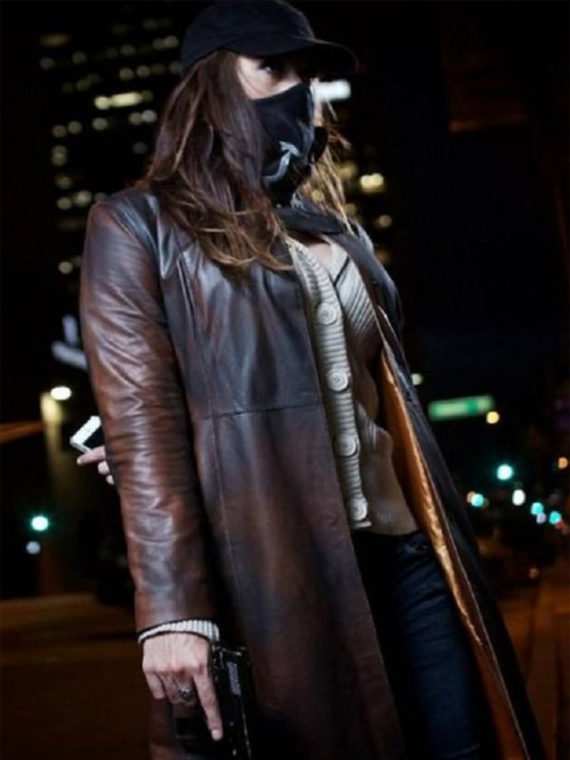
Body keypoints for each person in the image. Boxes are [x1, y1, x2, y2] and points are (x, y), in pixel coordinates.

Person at [76, 2, 548, 759]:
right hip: (280, 572)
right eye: (272, 68)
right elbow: (144, 424)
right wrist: (171, 612)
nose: (297, 89)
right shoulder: (137, 227)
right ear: (211, 84)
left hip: (409, 556)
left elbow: (376, 397)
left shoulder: (339, 233)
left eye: (307, 74)